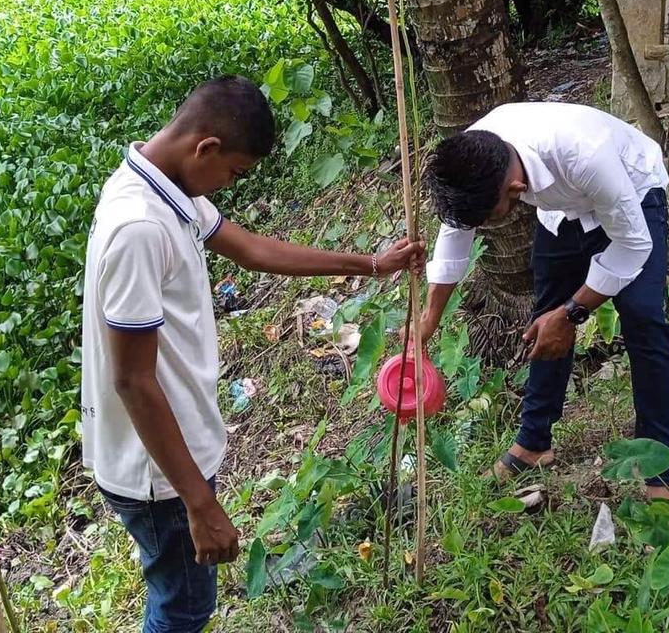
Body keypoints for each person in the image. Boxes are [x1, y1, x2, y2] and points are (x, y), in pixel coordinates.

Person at [81, 75, 423, 633]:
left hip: (172, 454)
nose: (230, 185)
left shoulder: (165, 186)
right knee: (182, 609)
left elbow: (252, 248)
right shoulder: (141, 226)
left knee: (180, 602)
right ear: (206, 148)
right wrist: (199, 503)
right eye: (234, 173)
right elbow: (133, 381)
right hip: (159, 471)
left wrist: (368, 264)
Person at [413, 102, 669, 498]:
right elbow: (454, 236)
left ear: (517, 191)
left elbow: (632, 246)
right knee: (544, 315)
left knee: (642, 318)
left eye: (489, 217)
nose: (484, 227)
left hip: (632, 195)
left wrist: (572, 314)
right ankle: (535, 442)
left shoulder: (584, 154)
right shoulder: (473, 157)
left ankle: (662, 470)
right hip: (562, 212)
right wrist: (429, 319)